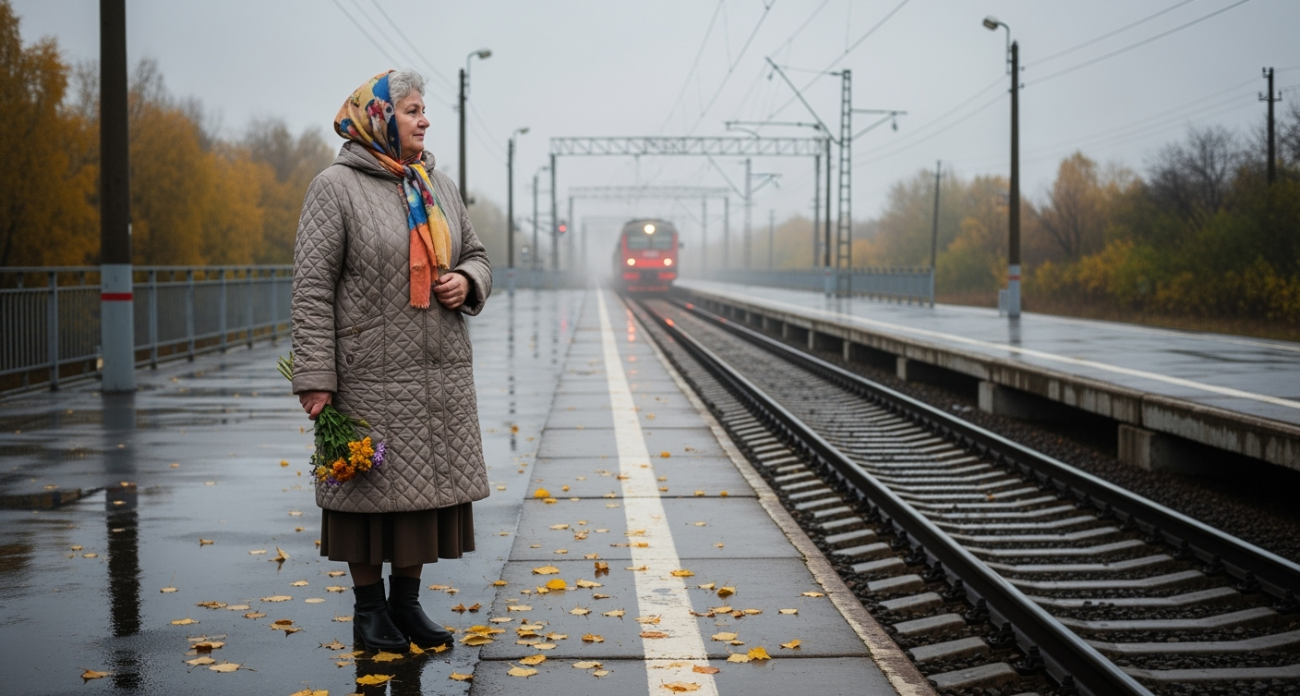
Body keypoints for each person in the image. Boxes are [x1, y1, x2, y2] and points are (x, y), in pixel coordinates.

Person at [290, 69, 492, 652]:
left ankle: (405, 606)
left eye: (424, 110)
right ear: (378, 118)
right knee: (366, 496)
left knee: (421, 497)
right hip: (367, 374)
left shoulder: (438, 186)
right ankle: (368, 613)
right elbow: (311, 287)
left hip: (436, 370)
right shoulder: (335, 187)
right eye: (412, 110)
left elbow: (476, 253)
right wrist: (315, 377)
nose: (425, 120)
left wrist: (465, 280)